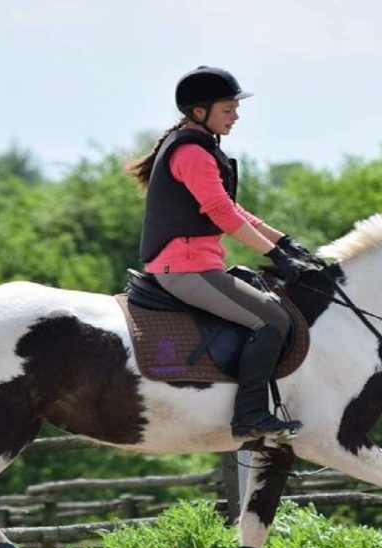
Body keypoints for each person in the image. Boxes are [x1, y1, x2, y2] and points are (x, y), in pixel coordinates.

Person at [127, 65, 320, 441]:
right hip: (185, 268)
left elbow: (232, 209)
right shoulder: (193, 153)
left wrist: (283, 243)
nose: (236, 116)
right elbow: (221, 214)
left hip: (195, 263)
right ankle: (249, 414)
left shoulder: (199, 146)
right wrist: (276, 256)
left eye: (235, 108)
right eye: (228, 109)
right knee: (272, 320)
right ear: (200, 111)